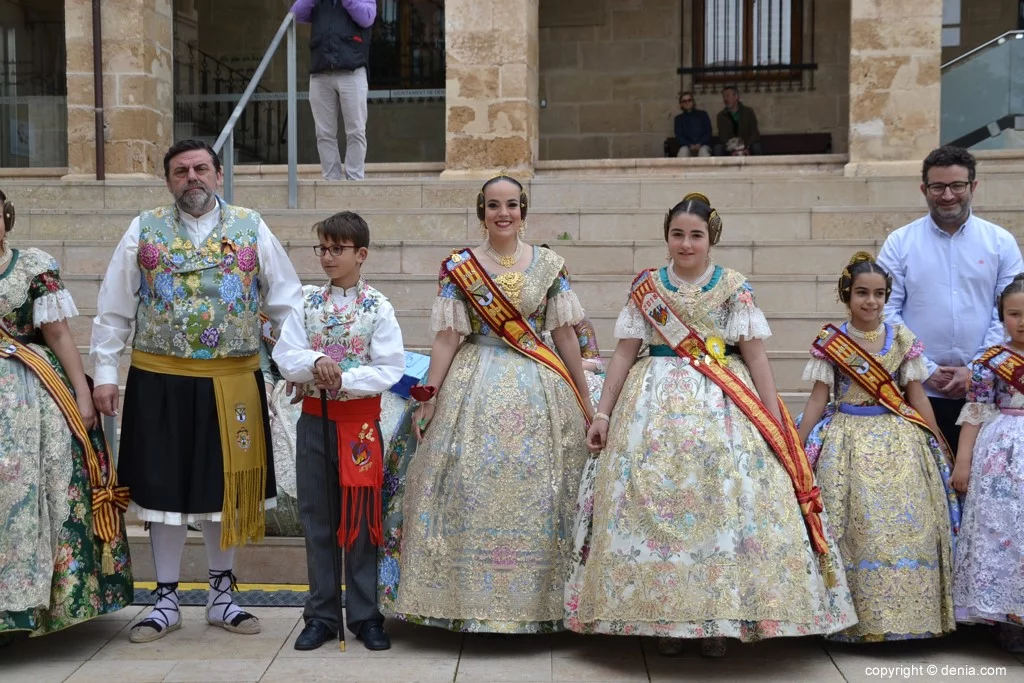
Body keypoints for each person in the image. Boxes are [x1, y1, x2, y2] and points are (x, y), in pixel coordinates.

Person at [564, 192, 856, 657]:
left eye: (695, 235)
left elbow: (756, 356)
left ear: (711, 239)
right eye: (677, 235)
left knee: (721, 508)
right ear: (667, 238)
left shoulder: (735, 287)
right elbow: (623, 351)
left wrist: (774, 420)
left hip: (725, 408)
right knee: (652, 511)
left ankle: (719, 619)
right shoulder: (647, 286)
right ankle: (662, 616)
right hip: (650, 409)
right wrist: (603, 412)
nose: (685, 244)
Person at [90, 139, 304, 643]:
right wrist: (104, 372)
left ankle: (222, 596)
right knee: (162, 490)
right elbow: (114, 305)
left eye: (201, 168)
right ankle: (164, 598)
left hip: (232, 380)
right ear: (169, 181)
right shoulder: (144, 229)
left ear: (218, 174)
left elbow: (287, 301)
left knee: (225, 491)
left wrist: (294, 365)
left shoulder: (252, 226)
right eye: (181, 171)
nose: (193, 178)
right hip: (158, 378)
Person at [383, 174, 592, 633]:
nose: (503, 213)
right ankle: (461, 600)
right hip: (472, 378)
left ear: (523, 211)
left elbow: (563, 336)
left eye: (512, 205)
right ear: (482, 211)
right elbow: (446, 338)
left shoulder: (550, 265)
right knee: (464, 479)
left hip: (542, 385)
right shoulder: (460, 267)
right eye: (494, 205)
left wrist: (584, 398)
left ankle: (544, 607)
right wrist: (430, 396)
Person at [797, 252, 960, 642]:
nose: (871, 302)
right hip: (846, 440)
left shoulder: (903, 340)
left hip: (899, 440)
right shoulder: (831, 343)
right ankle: (853, 623)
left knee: (906, 525)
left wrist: (934, 435)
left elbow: (917, 395)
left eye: (879, 294)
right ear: (846, 295)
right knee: (852, 527)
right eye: (862, 293)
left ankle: (909, 618)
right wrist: (796, 445)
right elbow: (819, 399)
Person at [0, 190, 132, 641]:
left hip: (29, 391)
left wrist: (82, 390)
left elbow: (57, 333)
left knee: (38, 485)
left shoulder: (32, 265)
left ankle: (34, 608)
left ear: (7, 217)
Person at [273, 211, 404, 651]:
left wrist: (343, 377)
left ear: (360, 254)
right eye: (322, 248)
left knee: (363, 522)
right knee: (318, 519)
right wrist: (312, 363)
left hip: (361, 428)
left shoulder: (377, 307)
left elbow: (390, 368)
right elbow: (285, 355)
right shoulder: (306, 303)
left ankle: (366, 615)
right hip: (314, 420)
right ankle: (321, 614)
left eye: (337, 249)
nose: (327, 257)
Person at [877, 145, 1024, 455]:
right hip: (917, 388)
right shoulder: (900, 243)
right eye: (938, 187)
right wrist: (924, 367)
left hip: (989, 392)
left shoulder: (1000, 242)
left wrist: (977, 368)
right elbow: (886, 311)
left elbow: (1010, 312)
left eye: (957, 185)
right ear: (923, 189)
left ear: (973, 186)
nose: (947, 195)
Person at [950, 273, 1024, 654]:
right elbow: (976, 412)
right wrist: (963, 463)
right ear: (1001, 316)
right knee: (1003, 531)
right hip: (1002, 457)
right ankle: (1009, 618)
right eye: (1014, 314)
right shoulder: (988, 361)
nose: (1022, 321)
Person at [291, 0, 376, 181]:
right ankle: (331, 180)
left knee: (356, 130)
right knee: (324, 133)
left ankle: (354, 179)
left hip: (352, 71)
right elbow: (295, 14)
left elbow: (367, 18)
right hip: (320, 73)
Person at [714, 86, 761, 156]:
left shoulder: (748, 112)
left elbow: (754, 133)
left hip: (747, 146)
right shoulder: (721, 116)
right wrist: (732, 150)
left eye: (727, 96)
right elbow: (723, 137)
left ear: (736, 96)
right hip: (730, 147)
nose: (725, 99)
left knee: (757, 147)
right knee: (718, 148)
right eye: (723, 96)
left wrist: (746, 147)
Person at [674, 91, 712, 158]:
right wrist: (689, 145)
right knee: (683, 152)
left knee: (704, 152)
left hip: (702, 145)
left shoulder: (703, 114)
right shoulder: (678, 119)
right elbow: (679, 136)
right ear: (681, 104)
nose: (687, 103)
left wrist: (700, 144)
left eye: (689, 100)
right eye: (684, 101)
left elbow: (708, 132)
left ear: (693, 102)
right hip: (687, 146)